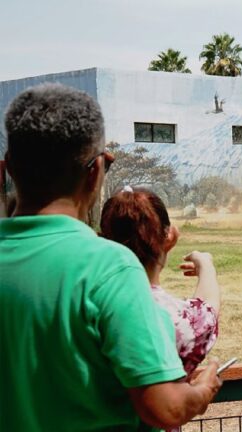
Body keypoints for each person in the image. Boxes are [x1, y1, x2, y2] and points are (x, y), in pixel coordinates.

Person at [0, 84, 221, 431]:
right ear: (96, 171)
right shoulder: (109, 268)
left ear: (8, 168)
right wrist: (203, 389)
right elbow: (165, 408)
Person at [100, 186, 220, 375]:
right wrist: (206, 265)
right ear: (170, 236)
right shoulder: (171, 319)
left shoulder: (84, 304)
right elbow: (206, 312)